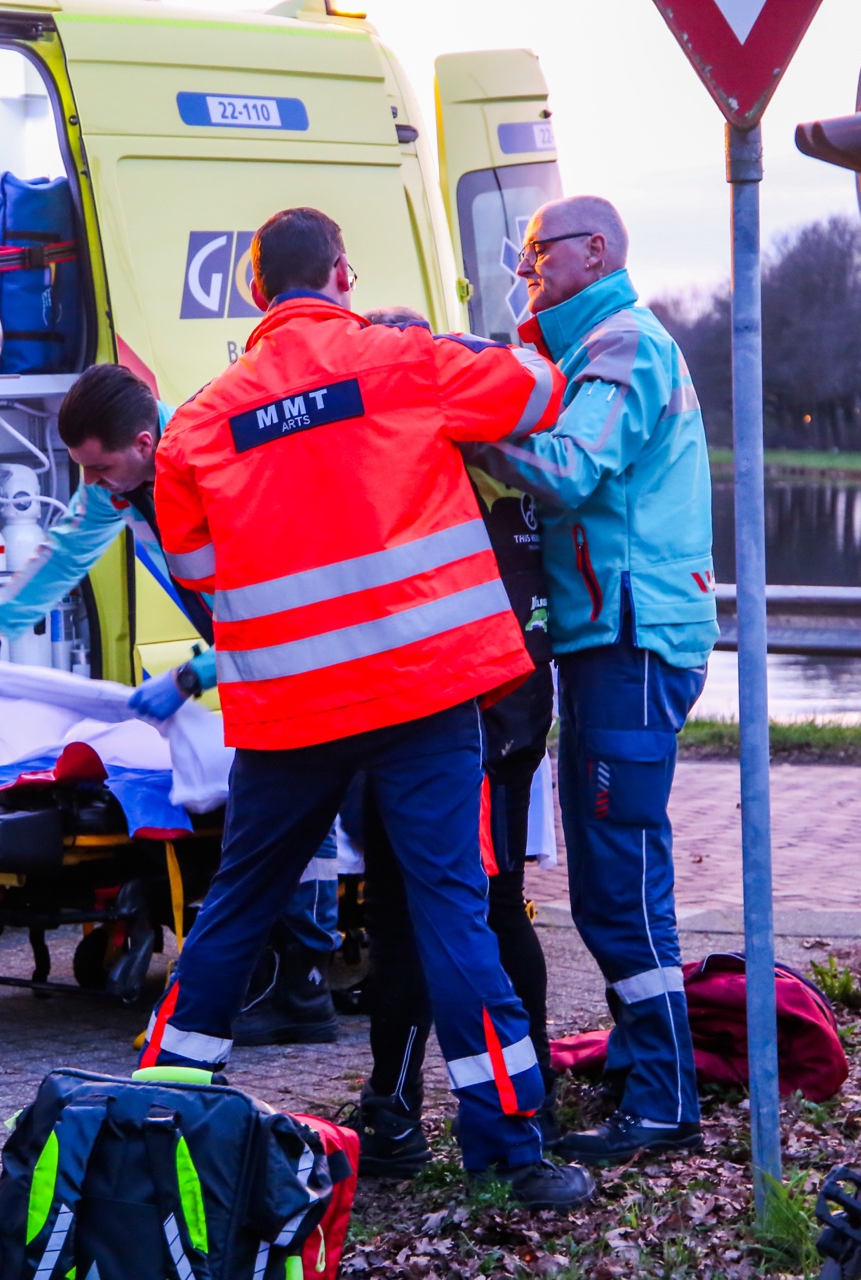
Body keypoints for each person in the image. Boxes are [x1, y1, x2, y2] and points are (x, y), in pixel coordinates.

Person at [143, 206, 595, 1209]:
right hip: (421, 690)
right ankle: (512, 1152)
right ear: (341, 273)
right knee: (452, 907)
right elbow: (536, 392)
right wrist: (456, 337)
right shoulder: (402, 361)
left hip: (289, 707)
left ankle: (154, 1118)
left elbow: (197, 567)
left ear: (255, 291)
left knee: (238, 905)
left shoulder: (202, 421)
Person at [0, 365, 341, 1046]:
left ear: (146, 442)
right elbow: (68, 555)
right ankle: (290, 976)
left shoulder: (220, 463)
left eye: (101, 468)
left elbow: (280, 587)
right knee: (270, 805)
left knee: (292, 805)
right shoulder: (125, 485)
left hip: (296, 642)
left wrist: (195, 675)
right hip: (249, 649)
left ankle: (302, 981)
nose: (93, 484)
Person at [465, 194, 718, 1165]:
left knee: (617, 882)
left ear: (594, 250)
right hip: (614, 634)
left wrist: (470, 438)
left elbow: (570, 469)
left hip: (633, 635)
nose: (526, 272)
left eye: (537, 255)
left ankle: (661, 1095)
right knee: (614, 873)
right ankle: (646, 1067)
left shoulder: (621, 346)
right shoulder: (591, 348)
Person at [348, 306, 560, 1177]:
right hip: (478, 725)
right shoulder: (499, 464)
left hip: (460, 731)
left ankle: (430, 1109)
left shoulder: (438, 479)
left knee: (449, 921)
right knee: (444, 916)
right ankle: (423, 1102)